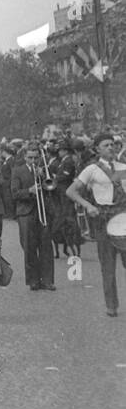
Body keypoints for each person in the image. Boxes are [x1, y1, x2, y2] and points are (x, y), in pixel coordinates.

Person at [65, 132, 126, 317]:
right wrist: (88, 206)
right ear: (97, 149)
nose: (111, 148)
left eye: (112, 145)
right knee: (107, 265)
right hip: (103, 220)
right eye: (106, 145)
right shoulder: (91, 169)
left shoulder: (123, 167)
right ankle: (111, 305)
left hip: (123, 218)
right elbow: (71, 191)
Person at [10, 144, 56, 291]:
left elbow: (52, 189)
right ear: (25, 157)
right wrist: (29, 191)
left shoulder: (45, 170)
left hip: (43, 212)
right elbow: (14, 193)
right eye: (30, 157)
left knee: (46, 247)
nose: (33, 160)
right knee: (29, 248)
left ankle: (48, 280)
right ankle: (33, 281)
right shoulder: (17, 171)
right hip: (26, 213)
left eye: (36, 158)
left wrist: (43, 176)